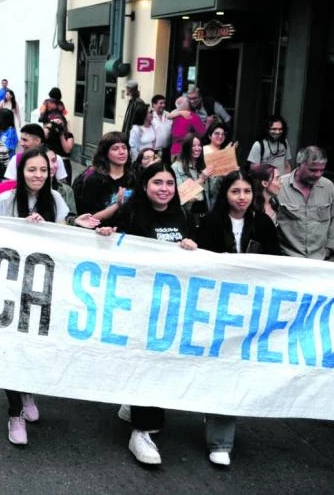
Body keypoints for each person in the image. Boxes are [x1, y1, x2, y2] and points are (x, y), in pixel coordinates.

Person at [96, 161, 198, 465]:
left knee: (162, 362)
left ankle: (135, 405)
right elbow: (115, 246)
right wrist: (106, 234)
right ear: (144, 186)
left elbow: (197, 255)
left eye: (169, 183)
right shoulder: (131, 213)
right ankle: (139, 433)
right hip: (139, 302)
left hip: (171, 304)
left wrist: (191, 245)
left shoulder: (182, 215)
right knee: (145, 360)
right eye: (157, 183)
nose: (164, 189)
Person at [194, 170, 281, 466]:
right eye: (235, 192)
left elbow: (275, 262)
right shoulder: (210, 222)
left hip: (248, 312)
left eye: (246, 191)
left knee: (229, 369)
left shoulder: (264, 223)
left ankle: (220, 441)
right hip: (212, 309)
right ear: (225, 194)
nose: (242, 197)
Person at [0, 147, 64, 445]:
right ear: (21, 172)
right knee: (13, 348)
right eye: (32, 170)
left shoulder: (56, 200)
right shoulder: (6, 201)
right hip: (10, 286)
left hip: (43, 288)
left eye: (43, 170)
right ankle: (14, 412)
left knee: (35, 348)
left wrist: (49, 230)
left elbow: (66, 241)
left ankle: (28, 391)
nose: (38, 175)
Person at [277, 146, 334, 260]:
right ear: (300, 164)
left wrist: (330, 248)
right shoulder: (280, 185)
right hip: (287, 256)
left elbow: (333, 218)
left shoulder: (328, 186)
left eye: (322, 170)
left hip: (318, 257)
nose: (318, 174)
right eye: (313, 170)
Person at [73, 132, 133, 223]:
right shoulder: (94, 180)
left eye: (124, 148)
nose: (122, 152)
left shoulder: (133, 177)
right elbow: (89, 218)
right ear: (106, 153)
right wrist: (117, 205)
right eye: (115, 148)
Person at [172, 134, 218, 223]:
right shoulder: (176, 167)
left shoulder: (204, 165)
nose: (197, 148)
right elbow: (180, 195)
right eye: (193, 146)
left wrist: (222, 175)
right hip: (187, 211)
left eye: (199, 145)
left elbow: (213, 191)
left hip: (204, 209)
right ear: (186, 147)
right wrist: (201, 179)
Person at [3, 124, 68, 183]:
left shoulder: (55, 159)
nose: (21, 143)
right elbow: (10, 184)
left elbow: (61, 183)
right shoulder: (16, 160)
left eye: (25, 140)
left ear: (37, 141)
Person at [43, 113, 75, 181]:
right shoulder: (48, 134)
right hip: (50, 161)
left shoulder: (68, 135)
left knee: (64, 187)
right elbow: (41, 135)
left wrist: (61, 133)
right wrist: (51, 124)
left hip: (64, 162)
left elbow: (67, 150)